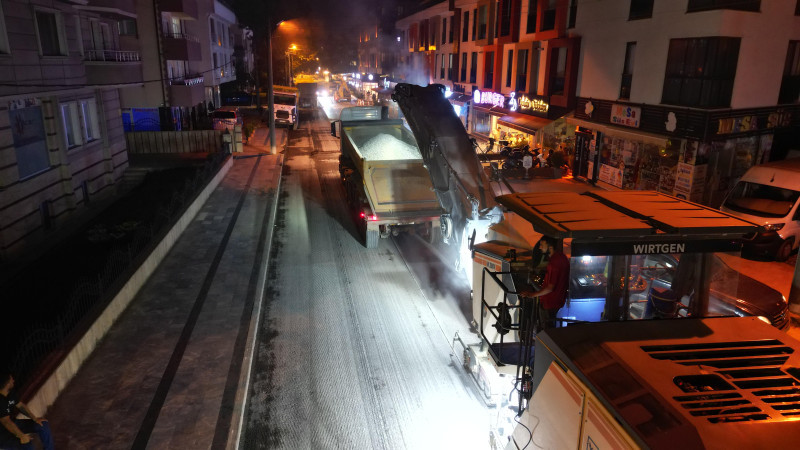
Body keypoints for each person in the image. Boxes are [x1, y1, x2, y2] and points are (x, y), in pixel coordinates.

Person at [0, 372, 54, 450]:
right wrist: (22, 436)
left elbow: (21, 406)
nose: (13, 381)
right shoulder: (1, 400)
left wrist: (35, 419)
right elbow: (6, 422)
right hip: (3, 435)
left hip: (13, 424)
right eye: (11, 379)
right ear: (7, 383)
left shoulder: (9, 393)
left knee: (43, 425)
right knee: (27, 445)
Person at [531, 236, 570, 331]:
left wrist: (532, 295)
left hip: (550, 303)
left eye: (542, 245)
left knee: (547, 331)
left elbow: (550, 288)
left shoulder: (554, 263)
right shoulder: (562, 258)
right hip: (557, 302)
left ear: (550, 247)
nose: (540, 247)